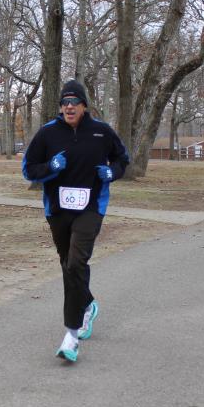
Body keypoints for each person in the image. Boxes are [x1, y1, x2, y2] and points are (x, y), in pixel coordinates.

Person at [22, 80, 129, 363]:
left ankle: (71, 336)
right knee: (68, 264)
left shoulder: (101, 132)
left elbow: (123, 159)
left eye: (74, 102)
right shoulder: (48, 133)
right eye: (65, 103)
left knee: (76, 262)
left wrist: (112, 172)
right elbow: (28, 170)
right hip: (57, 210)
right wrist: (50, 167)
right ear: (61, 107)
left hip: (91, 208)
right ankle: (88, 304)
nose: (69, 107)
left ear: (84, 106)